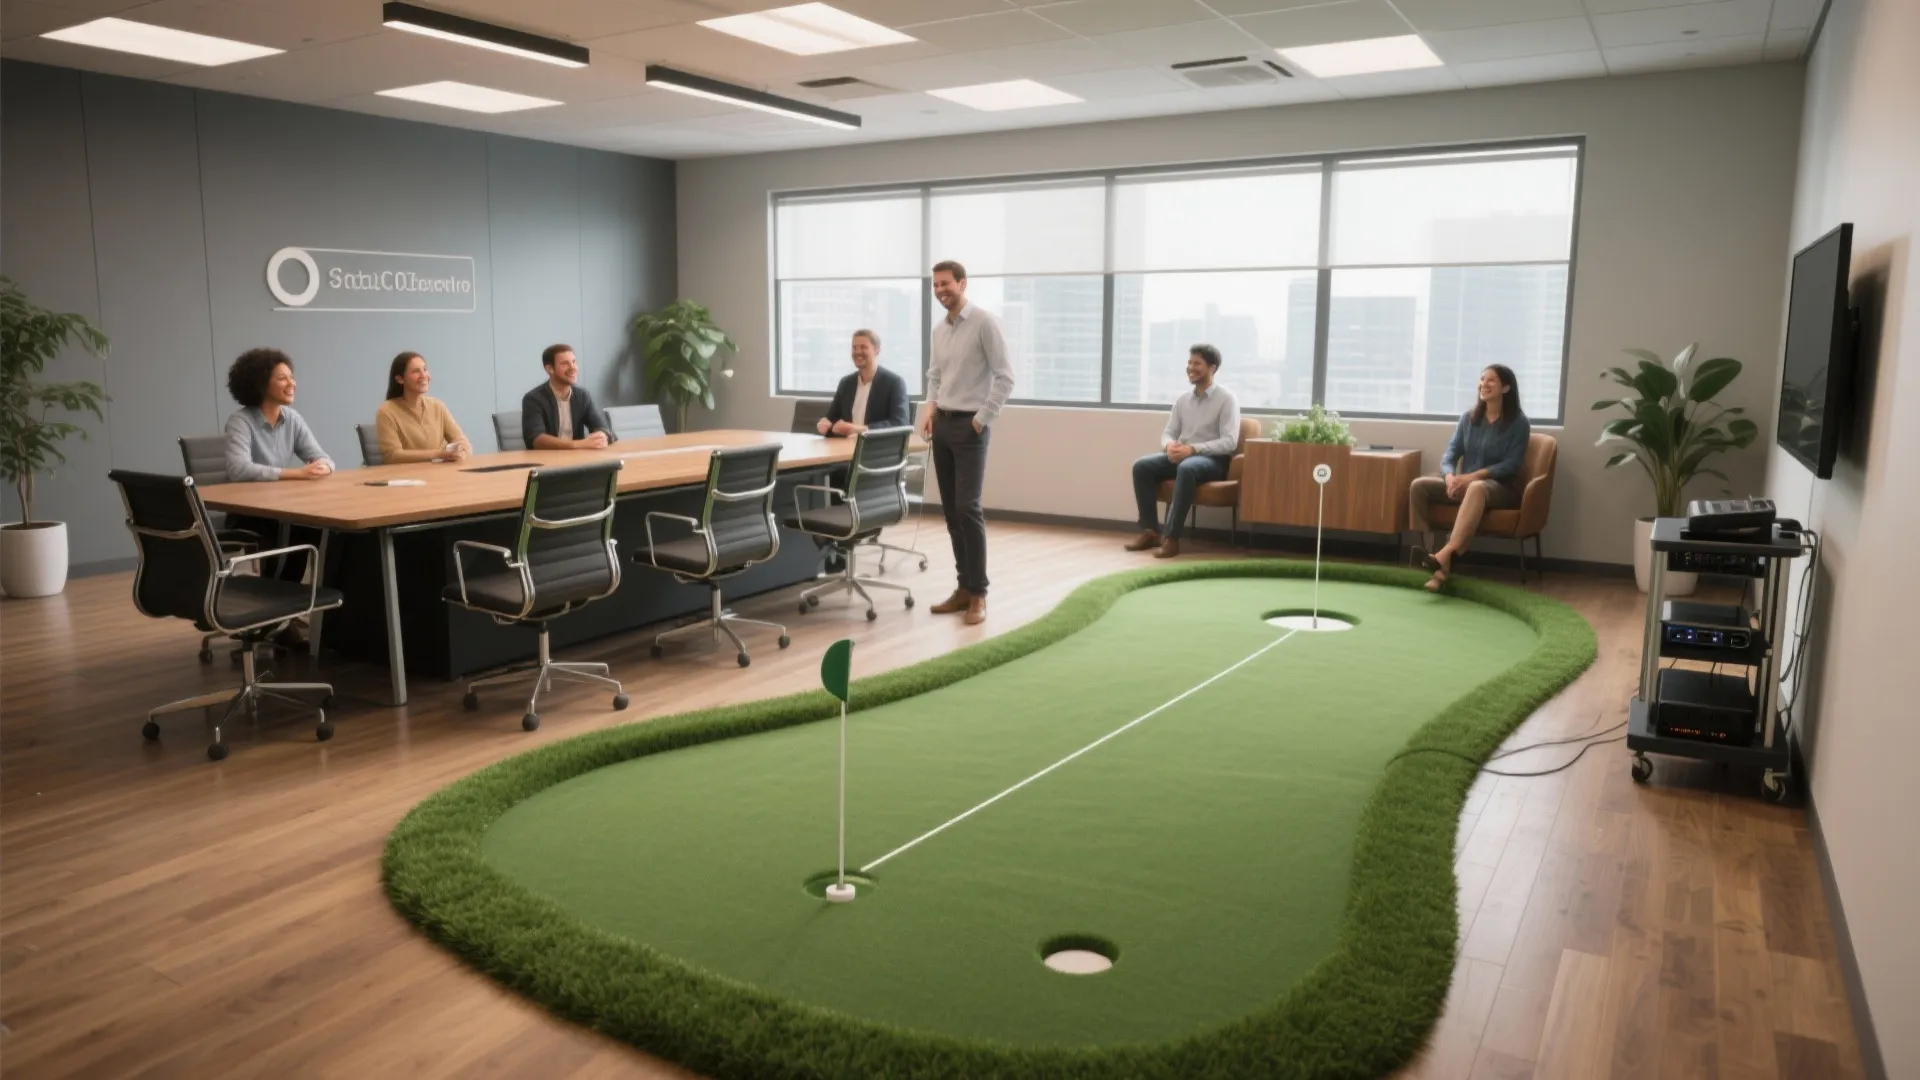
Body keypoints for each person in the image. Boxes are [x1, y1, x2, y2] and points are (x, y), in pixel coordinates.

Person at [917, 260, 1014, 626]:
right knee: (952, 513)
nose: (941, 290)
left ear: (962, 283)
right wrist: (929, 409)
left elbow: (1006, 378)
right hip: (941, 425)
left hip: (970, 428)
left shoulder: (985, 323)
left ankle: (979, 594)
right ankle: (962, 587)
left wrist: (980, 419)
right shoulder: (939, 330)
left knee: (968, 509)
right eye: (936, 285)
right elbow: (934, 375)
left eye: (946, 283)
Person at [1411, 364, 1533, 591]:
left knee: (1477, 487)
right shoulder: (1468, 419)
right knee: (1419, 486)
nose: (1483, 384)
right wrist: (1449, 478)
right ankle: (1431, 556)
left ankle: (1444, 554)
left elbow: (1511, 465)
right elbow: (1450, 454)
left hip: (1499, 489)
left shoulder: (1519, 423)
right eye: (1481, 379)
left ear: (1506, 388)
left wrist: (1470, 478)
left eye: (1491, 381)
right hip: (1464, 484)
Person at [221, 347, 333, 589]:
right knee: (296, 529)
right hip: (250, 513)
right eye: (283, 378)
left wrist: (323, 467)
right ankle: (278, 606)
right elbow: (238, 470)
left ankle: (290, 605)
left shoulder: (292, 418)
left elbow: (323, 457)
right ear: (261, 383)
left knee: (321, 531)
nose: (291, 383)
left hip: (282, 506)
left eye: (291, 376)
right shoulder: (240, 421)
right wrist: (298, 474)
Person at [1124, 344, 1241, 559]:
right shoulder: (1182, 400)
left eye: (1196, 363)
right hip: (1183, 456)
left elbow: (1230, 442)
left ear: (1212, 367)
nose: (1190, 367)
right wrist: (1169, 445)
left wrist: (1193, 449)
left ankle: (1172, 538)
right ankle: (1150, 532)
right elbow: (1168, 432)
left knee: (1187, 468)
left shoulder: (1227, 399)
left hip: (1212, 460)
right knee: (1142, 466)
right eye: (1189, 363)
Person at [375, 351, 471, 464]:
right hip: (407, 477)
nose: (423, 375)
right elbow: (392, 455)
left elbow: (461, 440)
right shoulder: (386, 411)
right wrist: (439, 454)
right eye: (416, 371)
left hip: (440, 474)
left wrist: (462, 450)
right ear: (400, 379)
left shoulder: (438, 406)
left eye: (425, 369)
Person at [521, 344, 615, 451]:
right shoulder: (533, 399)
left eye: (574, 362)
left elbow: (601, 426)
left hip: (577, 460)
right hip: (547, 461)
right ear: (549, 369)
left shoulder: (582, 396)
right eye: (565, 364)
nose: (573, 368)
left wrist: (602, 435)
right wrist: (579, 444)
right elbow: (537, 440)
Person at [817, 329, 910, 437]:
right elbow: (832, 419)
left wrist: (860, 429)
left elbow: (900, 423)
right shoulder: (846, 383)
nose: (857, 352)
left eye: (863, 347)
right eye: (854, 347)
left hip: (877, 449)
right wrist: (825, 424)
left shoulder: (894, 383)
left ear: (877, 350)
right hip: (845, 448)